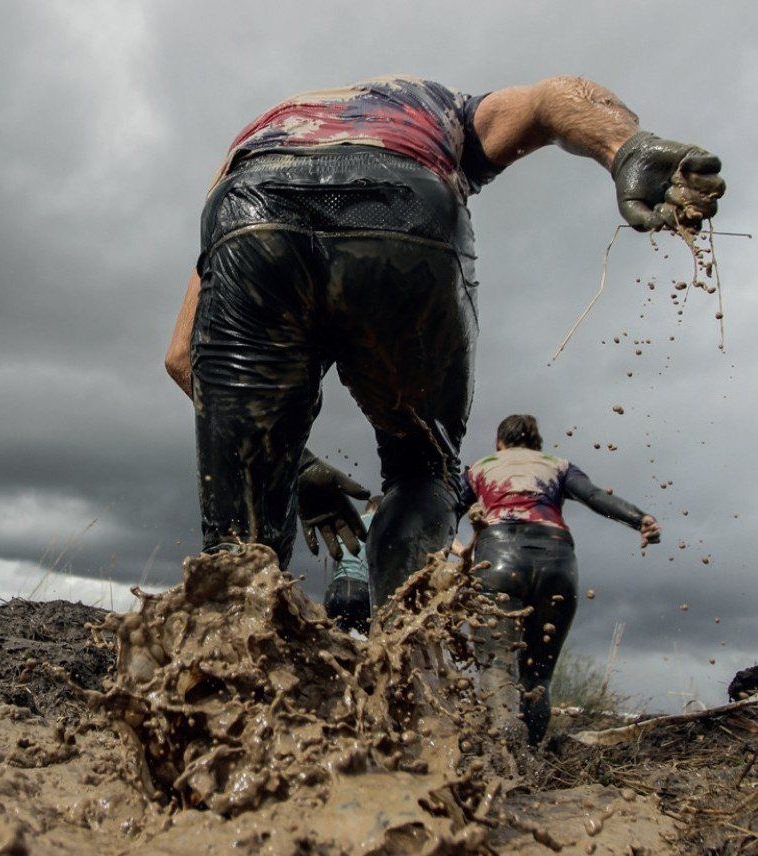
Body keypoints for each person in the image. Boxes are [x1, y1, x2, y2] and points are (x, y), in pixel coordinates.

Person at [164, 75, 723, 612]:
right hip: (403, 202)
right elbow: (555, 98)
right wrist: (627, 148)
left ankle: (231, 669)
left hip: (251, 210)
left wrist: (299, 467)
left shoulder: (258, 137)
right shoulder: (435, 104)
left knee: (241, 547)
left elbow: (184, 359)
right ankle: (401, 671)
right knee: (421, 469)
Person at [458, 414, 660, 744]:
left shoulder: (480, 467)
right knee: (538, 676)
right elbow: (593, 496)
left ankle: (503, 744)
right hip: (557, 562)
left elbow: (448, 507)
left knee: (497, 665)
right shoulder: (558, 464)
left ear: (499, 442)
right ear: (536, 442)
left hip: (497, 558)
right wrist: (640, 519)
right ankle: (532, 759)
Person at [324, 495, 381, 633]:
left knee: (332, 644)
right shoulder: (380, 523)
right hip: (360, 591)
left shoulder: (348, 525)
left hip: (335, 591)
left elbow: (329, 560)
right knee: (377, 646)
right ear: (381, 509)